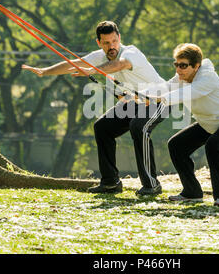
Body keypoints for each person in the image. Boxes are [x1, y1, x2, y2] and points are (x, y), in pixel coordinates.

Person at [22, 21, 167, 196]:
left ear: (119, 38)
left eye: (114, 41)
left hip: (160, 100)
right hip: (133, 103)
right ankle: (110, 182)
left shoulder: (131, 53)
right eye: (106, 43)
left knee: (138, 126)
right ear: (99, 43)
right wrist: (45, 71)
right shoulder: (99, 56)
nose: (111, 46)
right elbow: (74, 64)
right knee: (102, 127)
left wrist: (91, 71)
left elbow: (118, 65)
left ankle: (152, 185)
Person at [146, 43, 219, 207]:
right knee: (176, 145)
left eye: (183, 65)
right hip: (208, 123)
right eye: (176, 65)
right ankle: (192, 192)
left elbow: (184, 93)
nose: (178, 70)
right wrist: (140, 95)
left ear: (196, 66)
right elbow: (165, 88)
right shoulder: (182, 77)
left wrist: (155, 99)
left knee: (214, 147)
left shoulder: (208, 78)